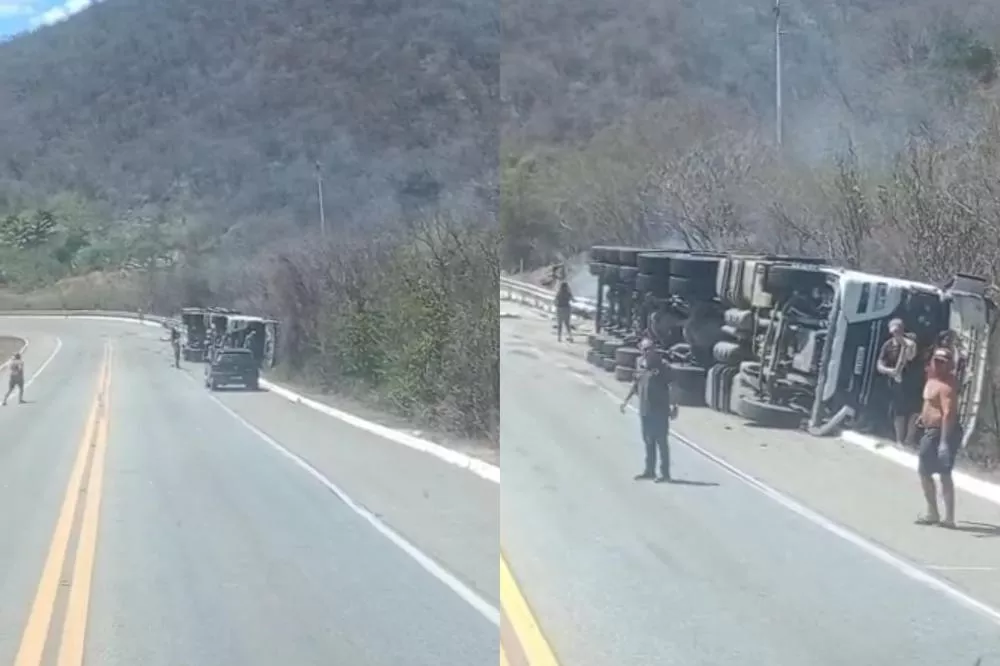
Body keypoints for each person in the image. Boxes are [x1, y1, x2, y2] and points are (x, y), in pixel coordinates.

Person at [915, 347, 962, 528]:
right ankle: (932, 512)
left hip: (941, 433)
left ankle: (948, 517)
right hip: (929, 430)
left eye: (942, 362)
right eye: (936, 360)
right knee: (925, 471)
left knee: (943, 473)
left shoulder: (947, 386)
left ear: (949, 365)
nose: (937, 364)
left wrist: (943, 443)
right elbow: (929, 403)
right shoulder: (931, 380)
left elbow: (948, 414)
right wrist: (922, 416)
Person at [620, 338, 678, 482]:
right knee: (648, 440)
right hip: (645, 410)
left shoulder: (663, 367)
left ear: (654, 350)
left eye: (649, 349)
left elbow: (673, 387)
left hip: (660, 410)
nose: (646, 352)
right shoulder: (640, 364)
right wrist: (625, 401)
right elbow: (635, 384)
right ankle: (649, 470)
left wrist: (674, 406)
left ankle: (665, 474)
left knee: (661, 442)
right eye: (644, 349)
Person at [875, 318, 921, 446]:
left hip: (912, 381)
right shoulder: (888, 345)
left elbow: (912, 353)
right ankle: (899, 440)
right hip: (896, 382)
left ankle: (909, 439)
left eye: (899, 329)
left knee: (915, 410)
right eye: (894, 330)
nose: (897, 332)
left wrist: (902, 341)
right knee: (899, 411)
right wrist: (889, 371)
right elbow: (879, 364)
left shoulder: (910, 340)